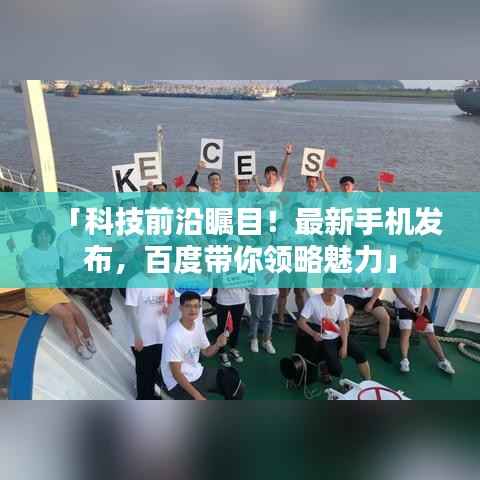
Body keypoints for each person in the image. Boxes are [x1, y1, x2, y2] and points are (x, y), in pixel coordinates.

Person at [17, 222, 96, 360]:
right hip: (36, 293)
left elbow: (57, 271)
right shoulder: (28, 253)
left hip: (52, 289)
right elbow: (24, 277)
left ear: (50, 236)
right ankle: (78, 346)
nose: (43, 237)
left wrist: (61, 286)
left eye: (46, 234)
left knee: (77, 312)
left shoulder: (54, 251)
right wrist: (21, 266)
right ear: (35, 236)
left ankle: (88, 337)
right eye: (40, 234)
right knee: (67, 315)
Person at [161, 292, 244, 400]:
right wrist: (198, 396)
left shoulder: (198, 325)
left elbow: (206, 352)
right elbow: (176, 373)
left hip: (197, 372)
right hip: (176, 383)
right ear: (180, 308)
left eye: (196, 306)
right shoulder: (173, 334)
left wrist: (217, 344)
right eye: (188, 306)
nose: (192, 310)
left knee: (236, 386)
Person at [393, 241, 455, 375]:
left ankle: (443, 361)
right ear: (407, 252)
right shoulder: (399, 268)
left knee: (429, 333)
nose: (414, 255)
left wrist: (421, 306)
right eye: (412, 252)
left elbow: (426, 290)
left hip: (419, 308)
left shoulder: (424, 270)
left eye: (417, 253)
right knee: (406, 332)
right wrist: (407, 304)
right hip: (403, 306)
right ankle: (404, 360)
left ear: (420, 254)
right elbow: (396, 288)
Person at [297, 273, 371, 380]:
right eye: (328, 284)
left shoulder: (340, 301)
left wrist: (344, 346)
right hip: (324, 336)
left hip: (337, 333)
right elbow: (301, 322)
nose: (331, 288)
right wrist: (313, 334)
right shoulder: (313, 301)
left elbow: (343, 324)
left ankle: (368, 382)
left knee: (360, 354)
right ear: (323, 285)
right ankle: (324, 365)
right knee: (336, 370)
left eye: (334, 285)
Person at [57, 207, 113, 330]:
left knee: (110, 275)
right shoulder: (64, 237)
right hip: (71, 275)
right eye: (79, 217)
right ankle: (106, 324)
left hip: (85, 271)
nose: (81, 220)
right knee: (95, 294)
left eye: (84, 218)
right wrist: (61, 282)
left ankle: (104, 302)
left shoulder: (87, 235)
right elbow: (59, 260)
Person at [125, 252, 171, 400]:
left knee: (154, 368)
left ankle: (150, 394)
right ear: (142, 263)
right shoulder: (134, 282)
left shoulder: (163, 279)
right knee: (143, 370)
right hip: (141, 337)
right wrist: (137, 336)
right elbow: (131, 311)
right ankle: (143, 397)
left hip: (159, 334)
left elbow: (165, 304)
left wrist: (166, 309)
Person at [343, 288, 392, 363]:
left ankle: (382, 348)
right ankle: (344, 345)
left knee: (385, 318)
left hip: (370, 297)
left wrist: (371, 302)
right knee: (345, 317)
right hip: (351, 295)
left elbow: (378, 286)